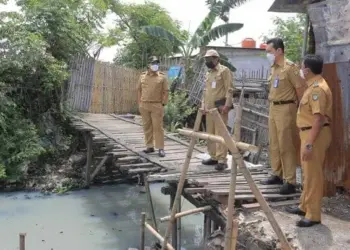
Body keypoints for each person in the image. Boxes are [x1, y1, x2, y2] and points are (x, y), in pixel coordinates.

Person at [286, 54, 332, 227]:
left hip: (315, 135)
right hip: (309, 133)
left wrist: (309, 143)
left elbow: (318, 119)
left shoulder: (317, 89)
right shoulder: (312, 85)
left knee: (313, 176)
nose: (300, 70)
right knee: (307, 173)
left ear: (308, 70)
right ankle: (304, 206)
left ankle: (313, 215)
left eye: (302, 66)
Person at [261, 38, 305, 195]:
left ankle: (290, 180)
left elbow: (300, 89)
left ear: (279, 51)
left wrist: (301, 110)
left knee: (286, 145)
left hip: (287, 108)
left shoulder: (290, 68)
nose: (268, 55)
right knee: (274, 143)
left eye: (270, 51)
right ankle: (277, 174)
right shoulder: (274, 68)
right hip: (273, 107)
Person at [201, 49, 234, 171]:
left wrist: (227, 105)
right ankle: (213, 156)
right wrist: (203, 105)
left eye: (210, 59)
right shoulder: (208, 73)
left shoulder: (224, 71)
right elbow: (206, 91)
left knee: (221, 134)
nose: (208, 61)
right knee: (210, 134)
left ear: (216, 59)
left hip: (220, 108)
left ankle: (222, 160)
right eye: (206, 59)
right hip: (209, 109)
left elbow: (229, 89)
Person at [137, 56, 168, 157]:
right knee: (147, 126)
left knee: (158, 127)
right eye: (153, 63)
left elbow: (166, 91)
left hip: (156, 105)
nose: (155, 65)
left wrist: (163, 103)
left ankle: (160, 148)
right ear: (148, 65)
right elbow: (139, 90)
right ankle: (149, 146)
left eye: (157, 63)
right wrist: (139, 103)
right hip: (144, 104)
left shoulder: (162, 77)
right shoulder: (142, 76)